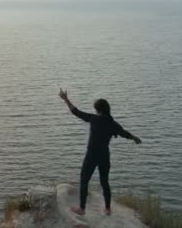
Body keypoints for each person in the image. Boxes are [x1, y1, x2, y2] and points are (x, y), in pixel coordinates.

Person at [58, 88, 141, 216]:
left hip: (92, 155)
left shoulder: (94, 119)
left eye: (95, 108)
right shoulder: (112, 123)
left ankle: (82, 209)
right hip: (104, 155)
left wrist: (65, 99)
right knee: (104, 181)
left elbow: (75, 111)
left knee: (84, 180)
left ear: (98, 110)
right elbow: (125, 133)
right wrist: (135, 138)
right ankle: (108, 209)